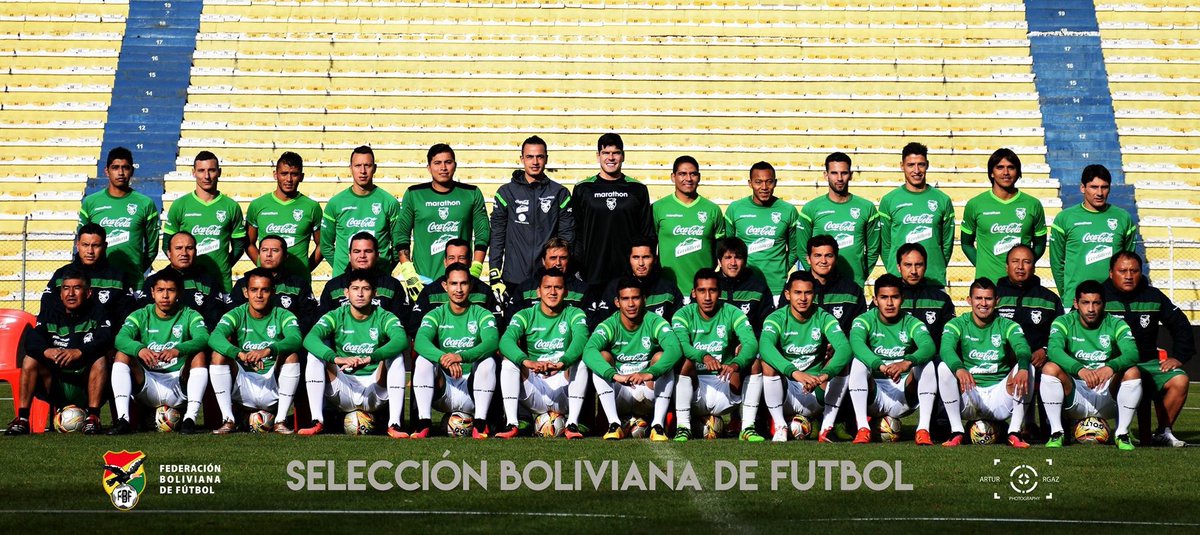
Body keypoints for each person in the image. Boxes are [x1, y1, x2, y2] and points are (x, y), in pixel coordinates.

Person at [299, 269, 409, 437]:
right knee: (314, 355)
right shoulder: (336, 315)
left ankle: (394, 424)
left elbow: (401, 340)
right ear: (346, 292)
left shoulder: (385, 317)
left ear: (374, 293)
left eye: (365, 289)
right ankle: (317, 421)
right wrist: (337, 359)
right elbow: (309, 339)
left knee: (396, 357)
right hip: (343, 388)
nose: (360, 293)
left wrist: (370, 358)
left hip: (375, 389)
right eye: (355, 288)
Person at [5, 269, 113, 435]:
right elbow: (31, 340)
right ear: (60, 293)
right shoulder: (50, 313)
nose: (71, 293)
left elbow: (106, 340)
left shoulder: (98, 312)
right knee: (30, 359)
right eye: (65, 288)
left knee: (100, 359)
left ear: (88, 292)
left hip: (85, 384)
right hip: (55, 384)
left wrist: (79, 352)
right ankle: (23, 419)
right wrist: (46, 351)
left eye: (77, 288)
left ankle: (93, 417)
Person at [1103, 251, 1194, 447]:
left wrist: (1178, 356)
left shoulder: (1153, 296)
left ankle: (1163, 432)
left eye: (1134, 271)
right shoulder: (1099, 297)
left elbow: (1181, 325)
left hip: (1148, 363)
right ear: (1111, 273)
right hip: (1110, 365)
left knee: (1180, 379)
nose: (1129, 276)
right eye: (1123, 271)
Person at [1041, 280, 1142, 450]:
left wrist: (1110, 367)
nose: (1091, 309)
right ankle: (1056, 432)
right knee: (1049, 368)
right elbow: (1053, 351)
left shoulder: (1116, 323)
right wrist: (1079, 369)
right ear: (1076, 303)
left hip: (1106, 394)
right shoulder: (1063, 322)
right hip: (1075, 394)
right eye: (1085, 303)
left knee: (1132, 372)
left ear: (1104, 303)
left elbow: (1133, 353)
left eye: (1096, 303)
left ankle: (1122, 434)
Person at [108, 269, 210, 435]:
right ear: (152, 292)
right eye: (160, 290)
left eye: (170, 290)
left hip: (178, 382)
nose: (165, 296)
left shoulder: (190, 314)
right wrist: (139, 349)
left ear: (179, 293)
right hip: (149, 383)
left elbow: (204, 338)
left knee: (199, 355)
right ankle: (123, 419)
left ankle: (190, 419)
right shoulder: (141, 315)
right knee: (122, 354)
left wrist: (178, 350)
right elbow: (120, 339)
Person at [583, 277, 683, 441]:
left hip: (647, 389)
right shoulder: (609, 324)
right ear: (617, 302)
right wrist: (614, 375)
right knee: (602, 357)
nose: (631, 304)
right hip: (620, 390)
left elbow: (675, 349)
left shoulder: (654, 321)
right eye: (625, 299)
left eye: (635, 298)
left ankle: (657, 425)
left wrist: (650, 373)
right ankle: (614, 424)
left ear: (644, 299)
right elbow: (588, 351)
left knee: (661, 358)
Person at [937, 278, 1033, 448]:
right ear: (969, 300)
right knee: (944, 368)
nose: (983, 303)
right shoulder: (957, 324)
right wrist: (959, 368)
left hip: (999, 395)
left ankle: (1014, 432)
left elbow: (1022, 348)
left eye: (988, 299)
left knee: (1027, 368)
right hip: (969, 393)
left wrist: (1023, 367)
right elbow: (946, 349)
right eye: (978, 298)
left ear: (997, 301)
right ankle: (956, 431)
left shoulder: (1007, 325)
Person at [496, 267, 591, 439]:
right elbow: (505, 341)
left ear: (566, 291)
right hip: (535, 387)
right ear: (539, 292)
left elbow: (581, 339)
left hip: (564, 387)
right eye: (547, 287)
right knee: (509, 362)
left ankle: (572, 424)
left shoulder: (575, 313)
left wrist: (563, 362)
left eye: (558, 287)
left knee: (582, 362)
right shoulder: (524, 314)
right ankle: (512, 423)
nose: (553, 292)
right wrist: (528, 362)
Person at [759, 270, 852, 443]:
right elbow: (765, 347)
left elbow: (845, 348)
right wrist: (794, 372)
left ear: (814, 295)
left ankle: (827, 427)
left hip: (816, 388)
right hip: (786, 390)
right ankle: (780, 426)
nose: (803, 298)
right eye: (798, 293)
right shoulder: (776, 318)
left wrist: (824, 375)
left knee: (842, 363)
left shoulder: (823, 317)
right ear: (787, 294)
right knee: (766, 363)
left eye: (808, 293)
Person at [208, 268, 303, 434]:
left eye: (264, 290)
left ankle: (280, 420)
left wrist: (267, 351)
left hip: (273, 383)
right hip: (244, 383)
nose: (259, 295)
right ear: (246, 292)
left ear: (273, 292)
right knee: (217, 355)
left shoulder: (284, 315)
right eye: (254, 290)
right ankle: (228, 420)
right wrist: (239, 353)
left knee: (292, 355)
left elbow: (295, 339)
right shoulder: (236, 314)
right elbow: (214, 337)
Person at [411, 264, 500, 439]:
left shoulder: (482, 314)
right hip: (444, 389)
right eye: (453, 284)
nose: (458, 289)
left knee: (489, 361)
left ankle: (480, 424)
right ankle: (424, 423)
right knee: (422, 360)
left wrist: (460, 357)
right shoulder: (435, 314)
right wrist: (443, 358)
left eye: (463, 284)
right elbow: (420, 342)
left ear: (471, 285)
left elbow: (492, 342)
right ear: (445, 286)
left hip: (473, 391)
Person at [846, 274, 937, 445]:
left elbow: (929, 346)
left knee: (927, 364)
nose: (889, 303)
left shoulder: (911, 322)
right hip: (875, 395)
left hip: (904, 396)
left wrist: (907, 362)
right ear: (875, 299)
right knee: (858, 362)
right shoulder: (864, 320)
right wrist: (879, 366)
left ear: (902, 298)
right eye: (884, 297)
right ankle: (863, 428)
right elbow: (856, 343)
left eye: (894, 297)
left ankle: (923, 430)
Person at [672, 270, 759, 442]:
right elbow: (681, 345)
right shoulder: (682, 315)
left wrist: (735, 363)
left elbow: (751, 343)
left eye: (712, 290)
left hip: (725, 383)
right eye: (702, 291)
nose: (707, 297)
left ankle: (748, 427)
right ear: (693, 293)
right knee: (683, 360)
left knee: (754, 362)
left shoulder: (732, 312)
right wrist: (704, 356)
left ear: (720, 293)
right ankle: (683, 427)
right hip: (694, 387)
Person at [488, 135, 574, 299]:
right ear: (522, 159)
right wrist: (494, 273)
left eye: (539, 157)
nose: (535, 162)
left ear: (546, 159)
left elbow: (567, 237)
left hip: (549, 280)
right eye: (530, 157)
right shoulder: (506, 193)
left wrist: (560, 270)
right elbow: (497, 235)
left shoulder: (559, 193)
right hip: (514, 277)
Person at [571, 133, 654, 295]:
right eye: (605, 153)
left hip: (627, 273)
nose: (611, 157)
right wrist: (577, 265)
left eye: (616, 153)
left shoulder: (637, 189)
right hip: (592, 270)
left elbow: (647, 233)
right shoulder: (583, 189)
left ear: (623, 156)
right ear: (598, 156)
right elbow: (576, 232)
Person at [996, 244, 1064, 438]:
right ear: (1006, 266)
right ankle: (995, 424)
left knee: (1050, 370)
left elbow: (1059, 334)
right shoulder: (994, 296)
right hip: (1001, 360)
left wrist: (1045, 350)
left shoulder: (1049, 299)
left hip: (1038, 359)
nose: (1020, 267)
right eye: (1015, 261)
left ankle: (1048, 427)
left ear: (1034, 266)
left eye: (1026, 262)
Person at [396, 143, 490, 283]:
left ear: (455, 165)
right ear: (428, 167)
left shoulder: (471, 193)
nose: (443, 168)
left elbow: (483, 234)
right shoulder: (414, 194)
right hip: (424, 280)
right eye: (437, 163)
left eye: (448, 162)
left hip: (460, 281)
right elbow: (401, 234)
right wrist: (408, 272)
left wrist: (475, 269)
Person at [1049, 164, 1138, 303]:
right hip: (1075, 300)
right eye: (1094, 187)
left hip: (1114, 301)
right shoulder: (1065, 218)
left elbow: (1128, 261)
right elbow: (1056, 262)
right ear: (1082, 188)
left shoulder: (1123, 218)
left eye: (1104, 187)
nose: (1099, 193)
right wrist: (1067, 293)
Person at [162, 151, 247, 293]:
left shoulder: (231, 206)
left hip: (220, 283)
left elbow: (238, 246)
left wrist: (223, 266)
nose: (206, 176)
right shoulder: (180, 205)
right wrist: (184, 268)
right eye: (201, 171)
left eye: (211, 170)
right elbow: (167, 245)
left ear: (219, 172)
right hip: (186, 283)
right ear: (193, 172)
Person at [77, 147, 160, 286]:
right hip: (97, 281)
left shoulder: (145, 204)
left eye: (125, 168)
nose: (120, 173)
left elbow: (152, 249)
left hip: (132, 283)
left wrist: (137, 269)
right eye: (115, 167)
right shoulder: (90, 202)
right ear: (106, 171)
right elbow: (82, 242)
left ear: (132, 171)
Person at [961, 149, 1047, 282]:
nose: (1005, 173)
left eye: (1011, 168)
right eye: (1000, 167)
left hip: (1020, 285)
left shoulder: (1033, 205)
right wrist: (983, 266)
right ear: (991, 172)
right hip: (988, 285)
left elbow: (1040, 245)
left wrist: (1024, 267)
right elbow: (966, 244)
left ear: (1017, 172)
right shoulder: (975, 204)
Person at [798, 152, 880, 288]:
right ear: (826, 175)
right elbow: (801, 249)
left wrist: (861, 274)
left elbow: (873, 249)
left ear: (851, 175)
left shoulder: (867, 208)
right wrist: (817, 274)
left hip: (854, 284)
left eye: (844, 173)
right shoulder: (811, 209)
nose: (840, 178)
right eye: (834, 173)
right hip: (820, 285)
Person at [878, 142, 955, 287]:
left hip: (933, 279)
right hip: (898, 280)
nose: (916, 170)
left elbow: (947, 244)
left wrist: (935, 264)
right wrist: (895, 269)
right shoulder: (889, 200)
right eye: (911, 165)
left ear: (927, 165)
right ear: (902, 166)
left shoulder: (942, 200)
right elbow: (885, 245)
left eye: (921, 164)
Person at [320, 146, 403, 277]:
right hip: (344, 279)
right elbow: (325, 246)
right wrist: (343, 267)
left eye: (367, 165)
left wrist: (384, 267)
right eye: (358, 165)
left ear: (374, 168)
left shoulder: (389, 202)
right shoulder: (335, 203)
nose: (363, 171)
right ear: (350, 168)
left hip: (379, 278)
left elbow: (399, 244)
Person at [724, 161, 801, 298]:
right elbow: (728, 248)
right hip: (744, 286)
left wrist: (781, 269)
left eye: (769, 182)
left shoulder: (788, 210)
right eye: (758, 182)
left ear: (775, 183)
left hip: (776, 287)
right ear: (750, 183)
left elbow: (795, 249)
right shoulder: (735, 209)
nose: (764, 187)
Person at [245, 151, 323, 286]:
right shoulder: (258, 205)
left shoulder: (312, 207)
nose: (289, 179)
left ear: (302, 176)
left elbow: (322, 244)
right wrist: (262, 264)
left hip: (299, 282)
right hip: (267, 283)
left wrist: (306, 267)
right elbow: (248, 243)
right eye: (284, 173)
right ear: (275, 175)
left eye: (294, 174)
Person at [652, 155, 726, 295]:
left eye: (693, 174)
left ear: (699, 177)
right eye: (682, 174)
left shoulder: (712, 209)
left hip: (703, 292)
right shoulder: (658, 208)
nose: (688, 178)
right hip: (669, 290)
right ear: (673, 177)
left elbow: (720, 249)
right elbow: (650, 246)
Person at [406, 238, 497, 337]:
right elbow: (415, 328)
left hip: (475, 347)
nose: (456, 262)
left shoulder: (484, 291)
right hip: (438, 348)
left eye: (461, 258)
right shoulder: (430, 292)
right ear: (445, 262)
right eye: (451, 258)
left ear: (470, 262)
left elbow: (496, 326)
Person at [42, 223, 132, 320]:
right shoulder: (61, 274)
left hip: (107, 334)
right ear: (77, 246)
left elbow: (128, 316)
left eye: (95, 245)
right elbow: (47, 310)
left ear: (105, 246)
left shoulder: (118, 278)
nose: (90, 251)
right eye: (85, 245)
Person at [588, 237, 683, 328]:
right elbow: (603, 325)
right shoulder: (615, 287)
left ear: (655, 260)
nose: (641, 263)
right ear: (629, 259)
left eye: (646, 257)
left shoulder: (668, 288)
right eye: (636, 257)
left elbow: (679, 326)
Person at [230, 234, 318, 333]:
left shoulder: (299, 284)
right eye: (264, 250)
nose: (268, 254)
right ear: (259, 255)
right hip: (250, 340)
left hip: (287, 341)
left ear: (285, 256)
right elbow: (232, 316)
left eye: (275, 250)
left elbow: (309, 317)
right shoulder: (243, 283)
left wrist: (290, 335)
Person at [138, 232, 227, 326]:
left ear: (195, 252)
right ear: (169, 253)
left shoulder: (208, 282)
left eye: (189, 248)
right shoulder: (154, 281)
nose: (184, 253)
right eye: (178, 248)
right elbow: (142, 317)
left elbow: (216, 320)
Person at [318, 232, 409, 325]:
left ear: (377, 255)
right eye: (357, 251)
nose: (362, 256)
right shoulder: (333, 286)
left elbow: (401, 323)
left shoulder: (392, 286)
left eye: (368, 251)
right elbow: (322, 323)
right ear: (349, 256)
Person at [501, 237, 591, 327]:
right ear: (543, 261)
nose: (558, 263)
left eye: (563, 258)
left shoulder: (582, 290)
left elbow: (589, 325)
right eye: (553, 258)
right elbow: (512, 323)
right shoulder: (525, 288)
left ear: (569, 260)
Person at [894, 243, 956, 347]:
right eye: (908, 265)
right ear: (899, 267)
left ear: (926, 266)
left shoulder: (941, 299)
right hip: (892, 357)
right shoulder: (887, 296)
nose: (913, 271)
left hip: (930, 359)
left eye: (918, 265)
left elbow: (950, 336)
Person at [804, 235, 866, 336]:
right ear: (808, 259)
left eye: (829, 256)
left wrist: (839, 342)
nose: (823, 261)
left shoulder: (852, 291)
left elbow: (859, 329)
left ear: (836, 259)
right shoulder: (795, 289)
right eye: (817, 255)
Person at [714, 237, 773, 332]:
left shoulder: (758, 288)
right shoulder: (709, 285)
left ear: (745, 261)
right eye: (728, 257)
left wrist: (751, 343)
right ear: (719, 262)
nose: (733, 263)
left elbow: (767, 326)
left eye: (738, 257)